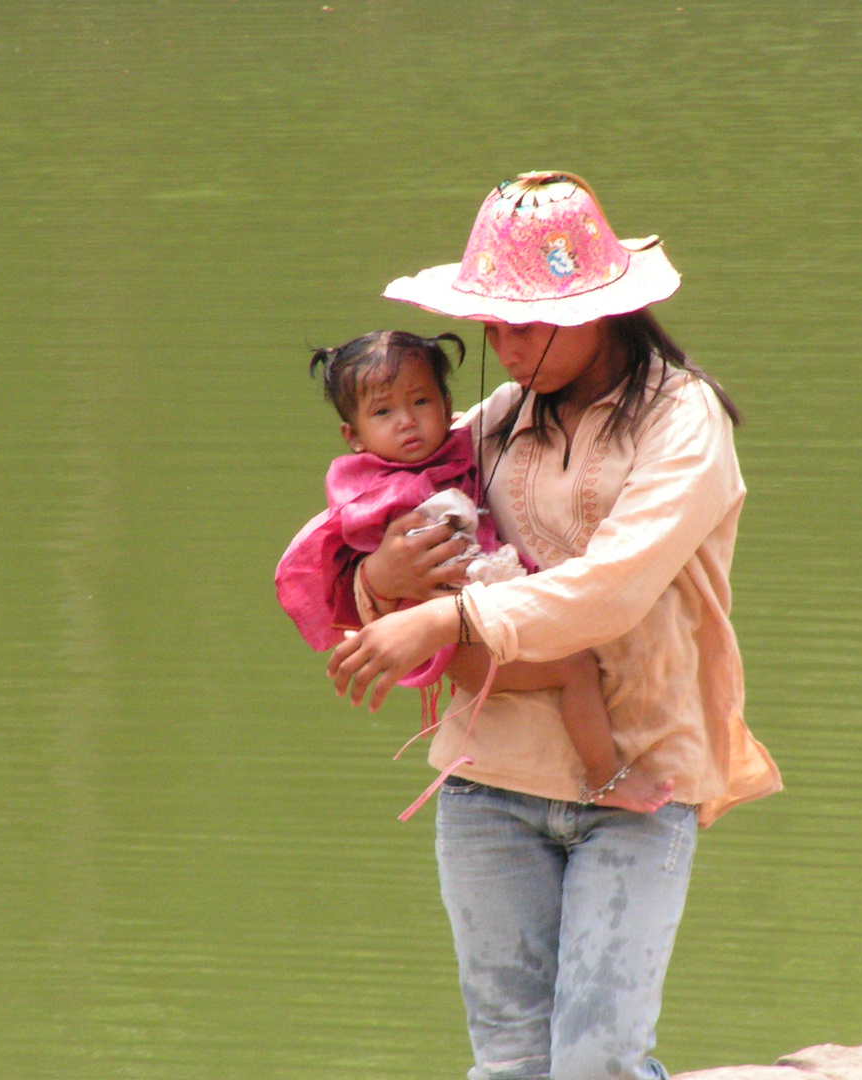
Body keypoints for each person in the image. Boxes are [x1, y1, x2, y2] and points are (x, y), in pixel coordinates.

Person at [326, 172, 782, 1080]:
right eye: (493, 326)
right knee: (508, 1065)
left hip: (641, 776)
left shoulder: (682, 422)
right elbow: (387, 514)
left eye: (528, 324)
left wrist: (446, 618)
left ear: (601, 314)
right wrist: (378, 582)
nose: (507, 345)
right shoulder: (494, 422)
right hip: (488, 777)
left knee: (598, 1063)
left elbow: (611, 590)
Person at [275, 328, 676, 813]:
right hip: (448, 638)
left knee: (572, 661)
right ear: (353, 436)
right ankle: (605, 775)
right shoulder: (380, 492)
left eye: (420, 402)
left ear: (446, 404)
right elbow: (380, 554)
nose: (407, 423)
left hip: (464, 620)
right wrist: (382, 575)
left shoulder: (470, 437)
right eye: (383, 413)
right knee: (575, 668)